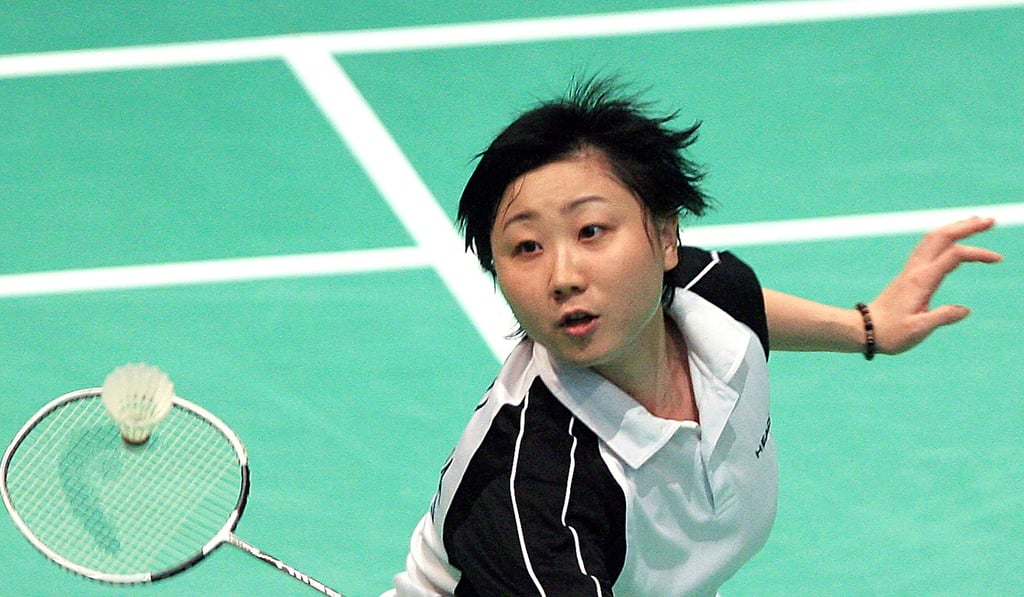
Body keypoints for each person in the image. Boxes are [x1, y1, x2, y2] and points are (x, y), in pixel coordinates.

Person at [383, 78, 1002, 597]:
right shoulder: (539, 496)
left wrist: (866, 327)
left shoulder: (707, 290)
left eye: (592, 230)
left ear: (665, 237)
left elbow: (738, 302)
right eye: (526, 248)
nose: (564, 276)